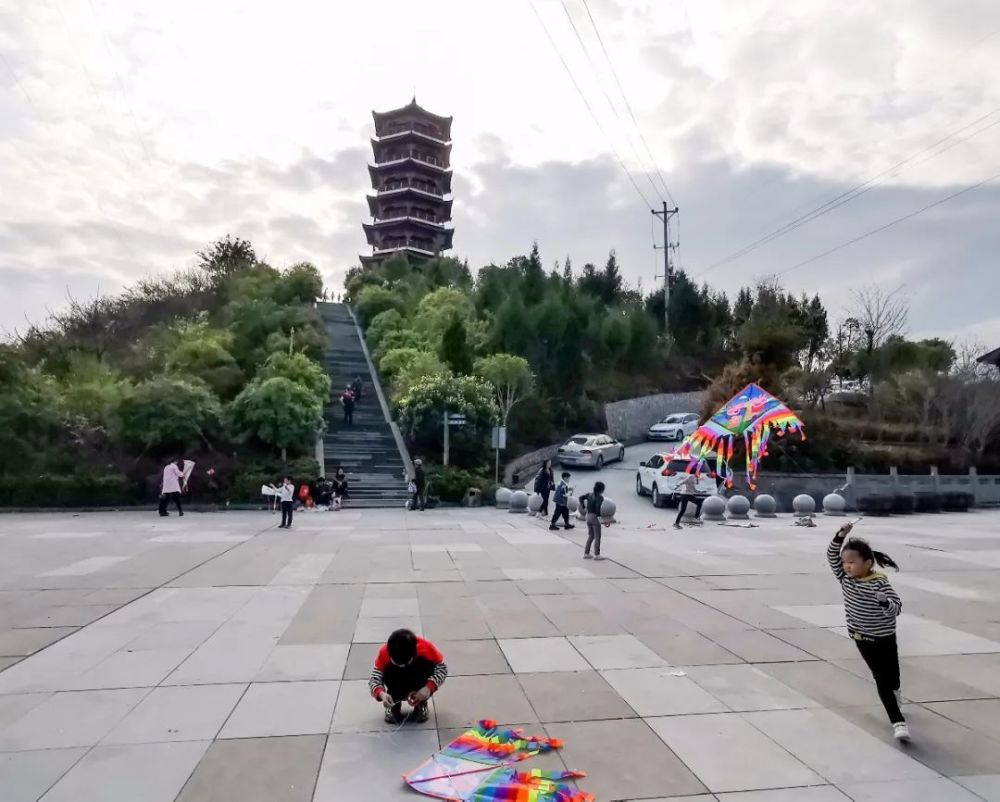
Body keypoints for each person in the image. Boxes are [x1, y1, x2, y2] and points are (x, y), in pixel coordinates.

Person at [828, 521, 908, 742]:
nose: (846, 566)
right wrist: (840, 535)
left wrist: (884, 603)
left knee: (893, 675)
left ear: (868, 563)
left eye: (852, 563)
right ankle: (898, 721)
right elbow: (831, 555)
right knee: (881, 678)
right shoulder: (845, 579)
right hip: (862, 637)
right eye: (844, 563)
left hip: (885, 636)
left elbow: (896, 609)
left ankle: (896, 692)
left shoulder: (879, 583)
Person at [369, 628, 447, 724]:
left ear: (414, 654)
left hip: (419, 677)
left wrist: (428, 688)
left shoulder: (426, 648)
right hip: (395, 680)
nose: (401, 666)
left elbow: (442, 668)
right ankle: (393, 705)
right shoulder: (384, 652)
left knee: (426, 665)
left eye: (404, 664)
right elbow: (374, 678)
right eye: (396, 663)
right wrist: (381, 694)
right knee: (387, 670)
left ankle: (421, 703)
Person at [578, 481, 606, 560]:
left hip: (587, 516)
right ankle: (597, 554)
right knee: (597, 536)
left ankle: (586, 553)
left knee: (591, 536)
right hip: (594, 517)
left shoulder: (589, 494)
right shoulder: (600, 497)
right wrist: (600, 518)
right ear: (601, 489)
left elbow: (580, 497)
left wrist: (583, 507)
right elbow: (598, 508)